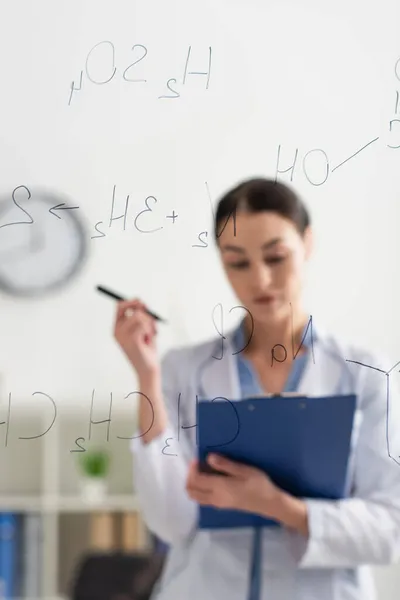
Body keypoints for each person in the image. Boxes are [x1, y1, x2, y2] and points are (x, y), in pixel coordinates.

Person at [113, 178, 400, 600]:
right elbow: (170, 521)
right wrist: (146, 376)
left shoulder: (364, 373)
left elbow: (388, 529)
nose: (260, 279)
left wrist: (277, 505)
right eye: (237, 262)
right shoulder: (181, 370)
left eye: (275, 257)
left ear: (307, 243)